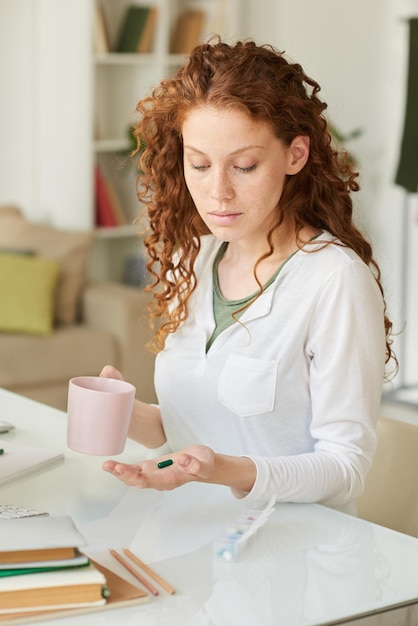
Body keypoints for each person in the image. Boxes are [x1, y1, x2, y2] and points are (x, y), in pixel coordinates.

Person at [101, 38, 395, 511]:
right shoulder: (195, 257)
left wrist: (224, 470)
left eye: (244, 166)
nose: (218, 191)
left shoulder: (334, 280)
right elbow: (193, 429)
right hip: (191, 533)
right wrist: (127, 417)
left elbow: (345, 467)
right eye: (198, 164)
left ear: (295, 156)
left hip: (298, 555)